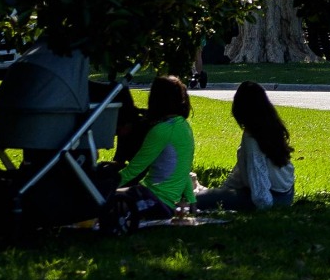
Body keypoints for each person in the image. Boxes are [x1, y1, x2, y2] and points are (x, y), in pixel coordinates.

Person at [107, 75, 197, 228]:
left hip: (156, 201)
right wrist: (192, 202)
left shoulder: (161, 131)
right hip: (159, 200)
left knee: (107, 203)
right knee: (124, 193)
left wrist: (105, 187)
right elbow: (184, 170)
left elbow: (135, 168)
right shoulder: (185, 127)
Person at [198, 80, 296, 212]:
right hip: (287, 194)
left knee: (198, 200)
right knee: (213, 195)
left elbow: (258, 177)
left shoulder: (252, 138)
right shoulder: (271, 127)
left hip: (271, 197)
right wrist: (224, 189)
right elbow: (243, 168)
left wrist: (264, 206)